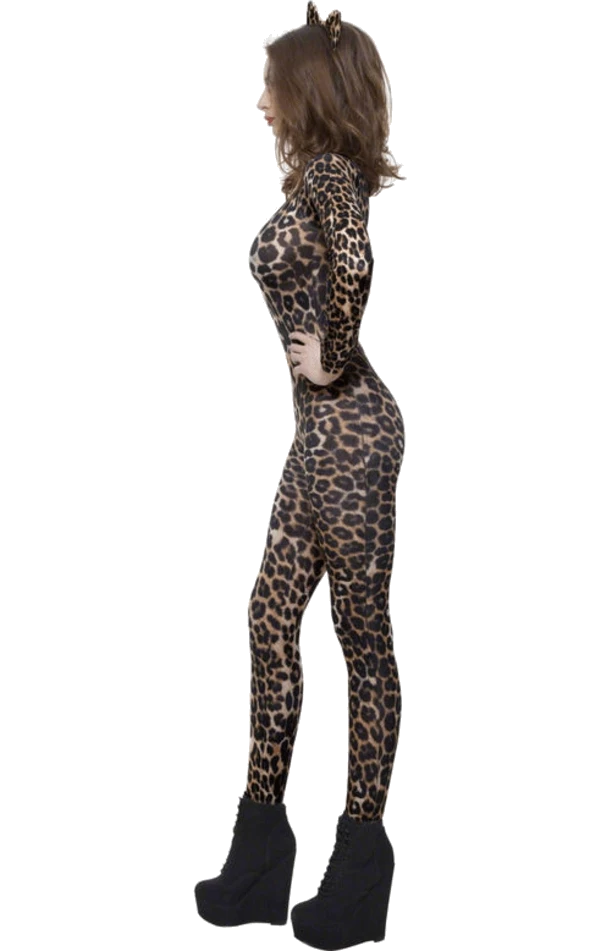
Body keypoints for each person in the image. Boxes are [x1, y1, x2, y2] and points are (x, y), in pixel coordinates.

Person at [195, 5, 405, 948]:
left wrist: (335, 351)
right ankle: (260, 855)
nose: (262, 98)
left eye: (272, 81)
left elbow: (354, 256)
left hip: (351, 432)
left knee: (359, 638)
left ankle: (358, 867)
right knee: (273, 619)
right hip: (320, 437)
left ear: (305, 91)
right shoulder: (314, 177)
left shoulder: (327, 176)